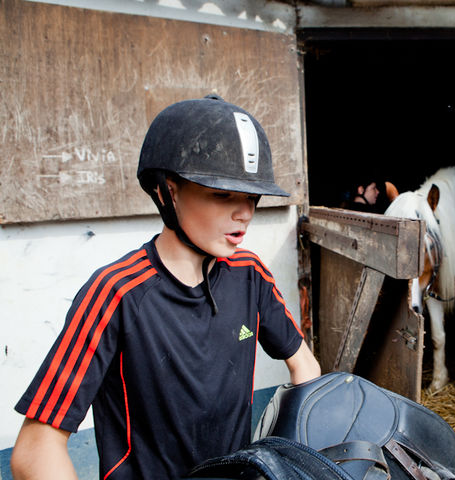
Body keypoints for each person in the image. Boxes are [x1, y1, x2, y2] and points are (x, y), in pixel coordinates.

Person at [10, 95, 321, 479]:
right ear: (167, 191)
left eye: (252, 197)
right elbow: (35, 448)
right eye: (222, 194)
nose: (245, 213)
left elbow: (305, 367)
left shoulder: (250, 273)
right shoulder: (115, 292)